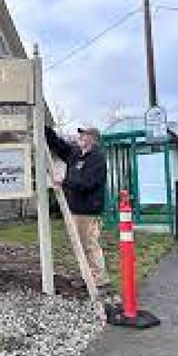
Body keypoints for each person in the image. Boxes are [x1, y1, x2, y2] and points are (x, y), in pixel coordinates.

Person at [44, 125, 111, 295]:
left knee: (89, 244)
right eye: (79, 134)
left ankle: (100, 280)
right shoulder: (75, 154)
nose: (80, 136)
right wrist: (45, 129)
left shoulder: (97, 158)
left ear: (93, 138)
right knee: (80, 245)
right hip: (75, 208)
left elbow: (89, 183)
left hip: (88, 210)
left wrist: (64, 182)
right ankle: (88, 276)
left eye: (84, 134)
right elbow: (59, 146)